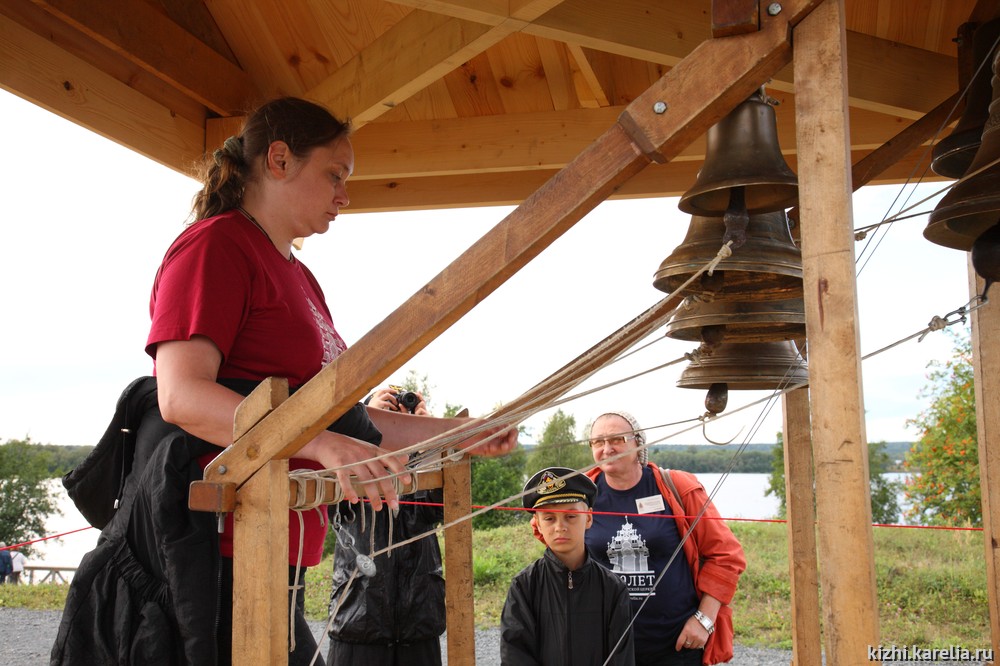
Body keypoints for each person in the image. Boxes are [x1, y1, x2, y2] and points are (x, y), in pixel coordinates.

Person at [51, 96, 517, 666]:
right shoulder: (215, 245)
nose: (345, 194)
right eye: (335, 175)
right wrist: (318, 444)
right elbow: (182, 395)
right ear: (278, 160)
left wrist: (461, 433)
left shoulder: (300, 277)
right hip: (204, 563)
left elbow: (348, 421)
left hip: (274, 559)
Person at [585, 411, 746, 666]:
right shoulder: (581, 497)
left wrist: (704, 620)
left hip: (674, 646)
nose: (607, 449)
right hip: (605, 645)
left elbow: (726, 556)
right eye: (598, 442)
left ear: (638, 442)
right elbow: (551, 536)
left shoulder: (676, 487)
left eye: (617, 439)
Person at [326, 387, 446, 665]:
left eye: (400, 420)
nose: (393, 427)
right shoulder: (349, 462)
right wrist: (364, 422)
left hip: (419, 625)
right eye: (384, 417)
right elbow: (336, 500)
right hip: (357, 624)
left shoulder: (420, 469)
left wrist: (429, 438)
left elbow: (442, 502)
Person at [500, 466, 634, 666]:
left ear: (588, 518)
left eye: (571, 516)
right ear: (536, 523)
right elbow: (515, 656)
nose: (560, 527)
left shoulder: (612, 588)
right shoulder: (525, 586)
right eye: (549, 518)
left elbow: (622, 659)